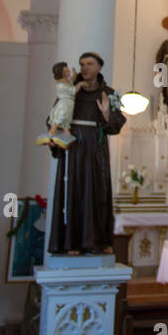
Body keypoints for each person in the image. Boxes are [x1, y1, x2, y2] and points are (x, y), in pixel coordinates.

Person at [47, 52, 126, 255]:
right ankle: (71, 242)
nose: (85, 68)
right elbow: (54, 116)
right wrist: (56, 139)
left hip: (96, 149)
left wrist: (107, 115)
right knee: (72, 190)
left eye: (89, 64)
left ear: (100, 67)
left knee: (98, 192)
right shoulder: (70, 92)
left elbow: (118, 124)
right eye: (82, 64)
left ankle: (100, 241)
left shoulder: (111, 93)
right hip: (73, 148)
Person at [35, 62, 78, 149]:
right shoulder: (61, 84)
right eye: (66, 71)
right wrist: (80, 84)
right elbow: (72, 90)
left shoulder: (66, 82)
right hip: (64, 104)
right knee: (60, 117)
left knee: (66, 121)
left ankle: (67, 136)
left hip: (68, 104)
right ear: (61, 73)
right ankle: (52, 132)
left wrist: (74, 75)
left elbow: (71, 81)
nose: (68, 72)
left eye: (68, 70)